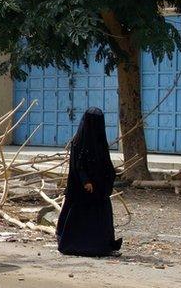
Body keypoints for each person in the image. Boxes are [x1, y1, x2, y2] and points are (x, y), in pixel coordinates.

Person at [56, 107, 122, 257]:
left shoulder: (99, 142)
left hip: (98, 190)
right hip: (82, 191)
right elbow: (77, 165)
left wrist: (109, 177)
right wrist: (86, 181)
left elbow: (105, 163)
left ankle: (100, 245)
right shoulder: (78, 142)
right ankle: (77, 245)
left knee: (99, 218)